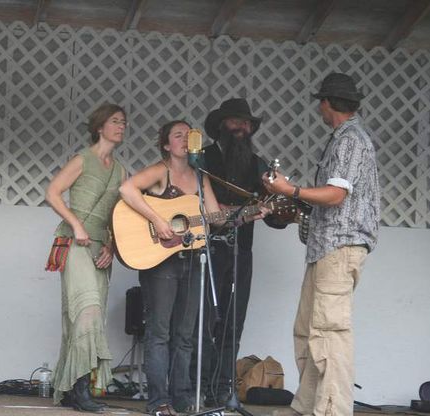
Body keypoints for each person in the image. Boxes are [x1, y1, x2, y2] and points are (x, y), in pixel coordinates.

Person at [120, 120, 265, 416]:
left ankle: (182, 399)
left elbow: (215, 219)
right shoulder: (161, 171)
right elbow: (127, 189)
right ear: (166, 144)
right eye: (178, 135)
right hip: (161, 261)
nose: (185, 139)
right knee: (159, 332)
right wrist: (159, 221)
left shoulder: (202, 178)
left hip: (192, 260)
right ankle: (159, 401)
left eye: (189, 135)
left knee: (185, 335)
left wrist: (249, 215)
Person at [263, 73, 380, 416]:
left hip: (340, 248)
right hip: (326, 248)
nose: (319, 108)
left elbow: (336, 194)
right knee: (307, 331)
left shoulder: (350, 140)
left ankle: (332, 410)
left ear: (327, 103)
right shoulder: (344, 138)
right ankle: (308, 405)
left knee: (329, 332)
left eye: (320, 102)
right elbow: (330, 200)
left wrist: (290, 191)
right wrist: (290, 203)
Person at [194, 98, 286, 406]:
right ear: (221, 125)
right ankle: (198, 386)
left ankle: (223, 389)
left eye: (246, 123)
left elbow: (273, 215)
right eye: (236, 121)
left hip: (240, 254)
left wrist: (280, 211)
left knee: (234, 322)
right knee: (204, 322)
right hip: (203, 253)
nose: (242, 127)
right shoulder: (202, 159)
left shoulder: (257, 164)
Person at [45, 103, 127, 412]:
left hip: (99, 247)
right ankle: (80, 388)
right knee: (86, 311)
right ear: (99, 126)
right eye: (115, 121)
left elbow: (118, 213)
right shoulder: (82, 159)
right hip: (74, 242)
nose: (121, 126)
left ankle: (68, 388)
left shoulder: (120, 170)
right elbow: (52, 192)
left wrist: (112, 246)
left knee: (93, 316)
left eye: (123, 122)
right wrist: (77, 224)